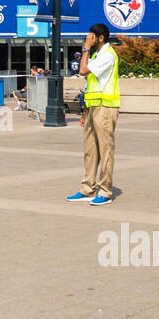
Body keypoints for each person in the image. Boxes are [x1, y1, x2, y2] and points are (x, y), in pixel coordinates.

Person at [67, 23, 120, 207]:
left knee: (105, 150)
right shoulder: (98, 55)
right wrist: (84, 111)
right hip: (93, 107)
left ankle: (105, 191)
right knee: (90, 150)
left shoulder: (107, 55)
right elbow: (89, 83)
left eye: (91, 36)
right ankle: (88, 188)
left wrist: (85, 49)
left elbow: (82, 71)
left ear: (101, 38)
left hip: (105, 107)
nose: (88, 39)